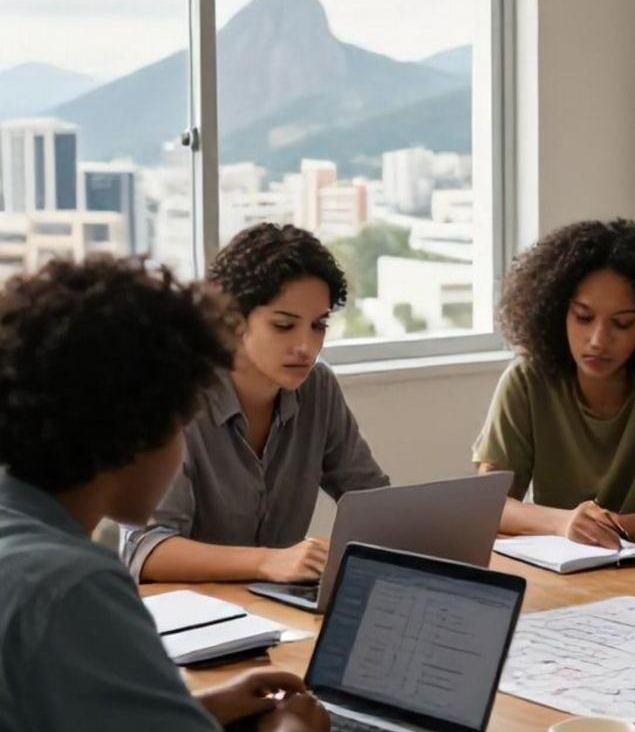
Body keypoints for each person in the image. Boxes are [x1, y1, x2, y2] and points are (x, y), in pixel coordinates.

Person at [0, 256, 328, 731]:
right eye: (181, 424)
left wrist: (197, 711)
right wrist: (293, 727)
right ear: (137, 431)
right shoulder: (75, 585)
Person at [123, 223, 388, 583]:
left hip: (278, 612)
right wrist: (268, 562)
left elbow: (373, 502)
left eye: (318, 325)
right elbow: (147, 551)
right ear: (232, 319)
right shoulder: (173, 394)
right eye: (283, 326)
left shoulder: (318, 387)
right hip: (191, 619)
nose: (306, 346)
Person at [475, 219, 635, 547]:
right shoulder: (527, 379)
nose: (598, 340)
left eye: (622, 324)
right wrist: (564, 523)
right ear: (556, 312)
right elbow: (490, 504)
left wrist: (601, 528)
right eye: (583, 317)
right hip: (562, 567)